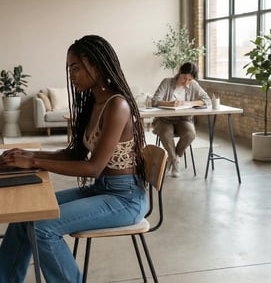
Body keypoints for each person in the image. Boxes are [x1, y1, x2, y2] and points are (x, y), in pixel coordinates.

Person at [0, 35, 147, 282]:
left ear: (97, 65)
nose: (72, 76)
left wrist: (34, 162)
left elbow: (93, 167)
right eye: (70, 69)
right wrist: (29, 154)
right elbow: (75, 154)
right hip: (101, 191)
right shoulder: (94, 102)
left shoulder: (117, 105)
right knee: (26, 213)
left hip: (125, 199)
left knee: (41, 228)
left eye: (76, 68)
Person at [152, 62, 211, 177]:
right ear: (180, 72)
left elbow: (207, 100)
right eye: (184, 78)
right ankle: (175, 161)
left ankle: (173, 157)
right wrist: (170, 104)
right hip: (164, 119)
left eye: (189, 79)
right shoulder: (167, 82)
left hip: (184, 119)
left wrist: (188, 103)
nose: (186, 82)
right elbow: (155, 100)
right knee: (165, 133)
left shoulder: (193, 85)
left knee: (190, 134)